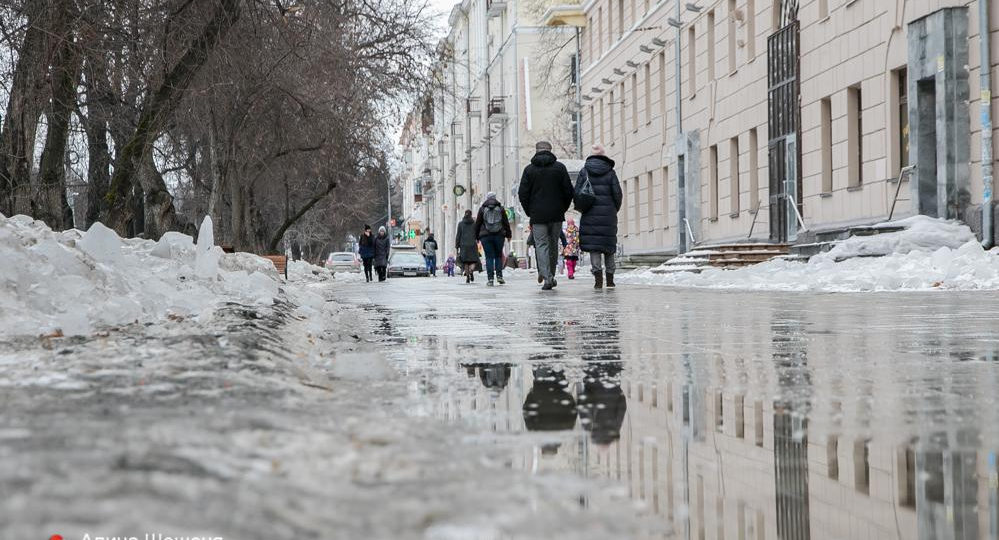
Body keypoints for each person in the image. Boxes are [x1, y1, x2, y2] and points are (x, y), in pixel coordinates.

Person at [517, 141, 574, 291]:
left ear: (536, 151)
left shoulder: (529, 170)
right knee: (553, 244)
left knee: (541, 245)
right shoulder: (559, 168)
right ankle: (551, 275)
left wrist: (530, 211)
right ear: (550, 151)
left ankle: (547, 277)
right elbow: (568, 191)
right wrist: (562, 208)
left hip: (537, 215)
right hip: (556, 214)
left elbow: (522, 193)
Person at [575, 144, 622, 289]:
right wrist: (613, 210)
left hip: (589, 215)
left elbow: (576, 194)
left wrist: (583, 207)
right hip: (608, 216)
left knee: (594, 247)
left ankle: (598, 279)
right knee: (608, 247)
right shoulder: (611, 173)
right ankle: (610, 278)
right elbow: (618, 195)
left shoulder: (584, 172)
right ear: (604, 156)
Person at [474, 191, 513, 286]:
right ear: (495, 198)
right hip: (499, 235)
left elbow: (478, 224)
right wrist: (508, 235)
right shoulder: (500, 208)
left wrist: (476, 237)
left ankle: (490, 279)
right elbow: (505, 222)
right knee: (498, 256)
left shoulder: (482, 209)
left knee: (489, 257)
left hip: (485, 236)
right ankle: (499, 276)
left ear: (487, 198)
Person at [455, 209, 480, 283]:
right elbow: (477, 233)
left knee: (465, 262)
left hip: (463, 245)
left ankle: (467, 276)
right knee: (473, 260)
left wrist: (457, 245)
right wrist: (478, 239)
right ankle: (471, 270)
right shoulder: (474, 223)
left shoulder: (460, 224)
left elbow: (458, 235)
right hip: (472, 244)